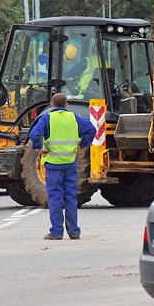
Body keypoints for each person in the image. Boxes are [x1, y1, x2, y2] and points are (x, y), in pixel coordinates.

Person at [29, 93, 95, 240]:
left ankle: (57, 232)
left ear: (52, 105)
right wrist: (82, 144)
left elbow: (34, 134)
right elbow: (91, 130)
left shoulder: (47, 118)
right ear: (66, 105)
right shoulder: (74, 118)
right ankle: (74, 231)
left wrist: (39, 147)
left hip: (53, 164)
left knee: (55, 198)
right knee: (71, 197)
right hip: (70, 163)